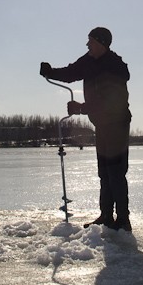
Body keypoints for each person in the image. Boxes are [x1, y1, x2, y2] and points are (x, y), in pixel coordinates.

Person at [40, 27, 133, 231]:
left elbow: (111, 101)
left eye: (90, 41)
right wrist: (50, 72)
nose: (87, 45)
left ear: (101, 43)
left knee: (116, 172)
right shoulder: (88, 60)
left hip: (117, 123)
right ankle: (106, 215)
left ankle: (123, 220)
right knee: (104, 172)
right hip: (101, 124)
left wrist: (81, 108)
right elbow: (71, 72)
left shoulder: (115, 66)